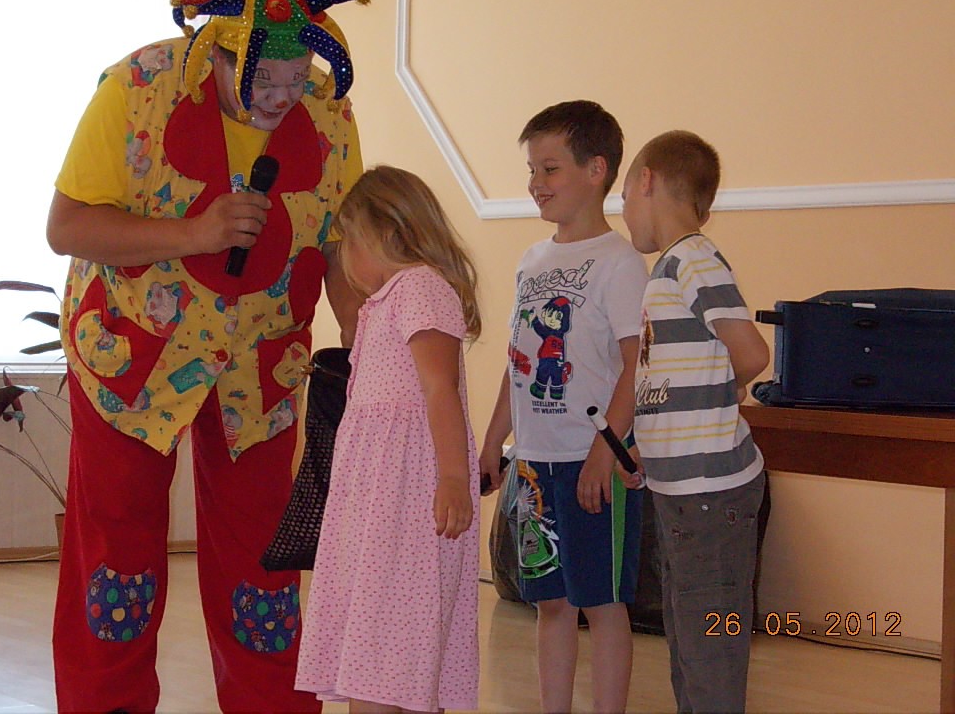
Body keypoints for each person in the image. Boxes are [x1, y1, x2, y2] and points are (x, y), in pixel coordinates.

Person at [44, 0, 369, 711]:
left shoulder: (329, 112)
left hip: (260, 368)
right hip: (133, 359)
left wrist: (367, 353)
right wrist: (194, 234)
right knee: (117, 556)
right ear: (215, 55)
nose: (283, 97)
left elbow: (340, 248)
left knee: (263, 560)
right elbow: (66, 227)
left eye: (297, 78)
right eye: (264, 79)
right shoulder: (138, 87)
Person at [479, 100, 648, 714]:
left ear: (596, 169)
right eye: (532, 170)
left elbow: (636, 366)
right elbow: (518, 361)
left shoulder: (620, 263)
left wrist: (608, 451)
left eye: (550, 169)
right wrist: (494, 442)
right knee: (550, 602)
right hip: (533, 464)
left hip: (592, 463)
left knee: (602, 604)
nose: (536, 183)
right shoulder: (532, 261)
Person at [295, 165, 482, 713]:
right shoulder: (384, 302)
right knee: (377, 642)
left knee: (390, 641)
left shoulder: (420, 288)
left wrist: (453, 477)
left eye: (349, 241)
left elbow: (440, 389)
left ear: (384, 235)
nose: (345, 257)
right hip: (377, 504)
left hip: (407, 500)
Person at [620, 130, 770, 713]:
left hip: (711, 493)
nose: (624, 212)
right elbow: (669, 385)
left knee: (709, 646)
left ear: (647, 180)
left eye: (625, 196)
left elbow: (751, 354)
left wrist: (719, 394)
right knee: (689, 637)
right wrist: (647, 447)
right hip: (682, 491)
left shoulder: (692, 261)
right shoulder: (669, 270)